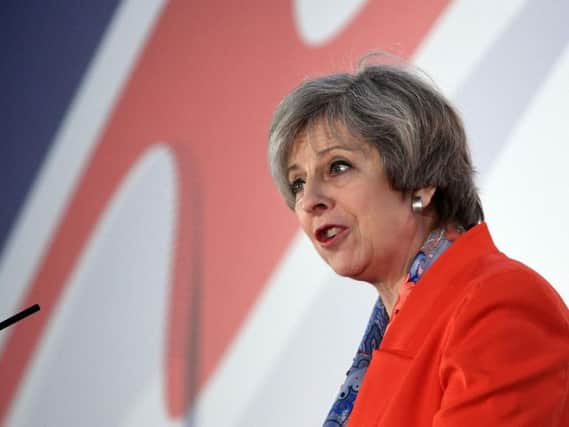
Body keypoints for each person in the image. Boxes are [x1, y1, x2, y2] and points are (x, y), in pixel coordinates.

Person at [267, 57, 569, 426]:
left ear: (421, 183)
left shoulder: (499, 303)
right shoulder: (392, 331)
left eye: (338, 167)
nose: (310, 199)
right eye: (298, 183)